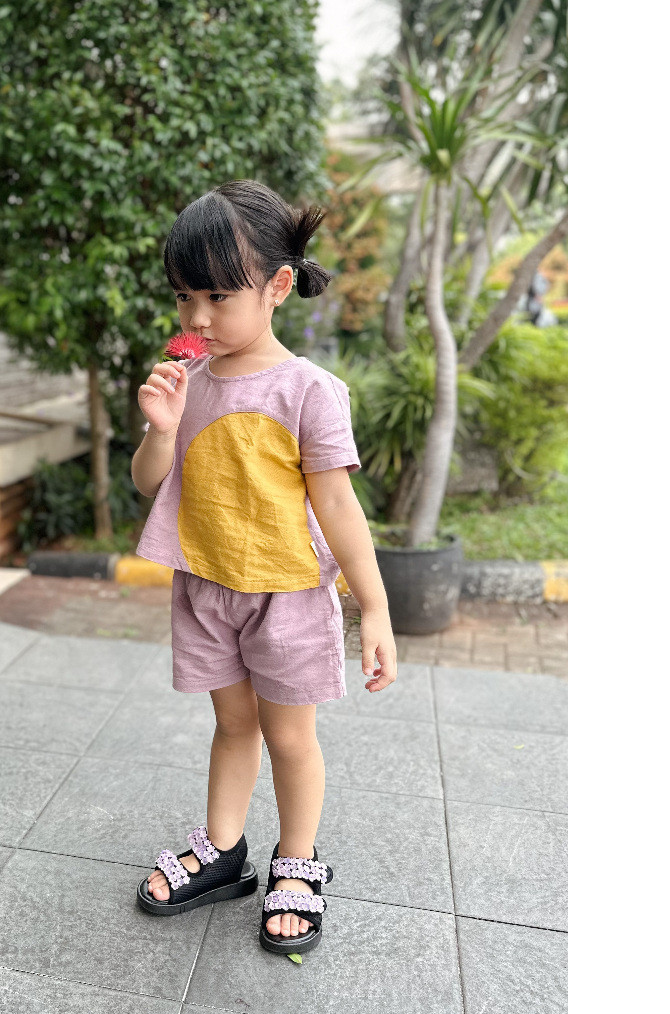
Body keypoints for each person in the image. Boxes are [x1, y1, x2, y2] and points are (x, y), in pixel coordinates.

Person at [130, 180, 398, 955]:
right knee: (231, 725)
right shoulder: (189, 385)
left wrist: (374, 608)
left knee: (289, 738)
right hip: (206, 588)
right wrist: (161, 429)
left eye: (218, 295)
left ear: (277, 287)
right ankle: (223, 850)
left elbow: (338, 506)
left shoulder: (309, 390)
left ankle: (297, 860)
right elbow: (150, 483)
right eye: (185, 297)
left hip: (288, 599)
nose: (197, 318)